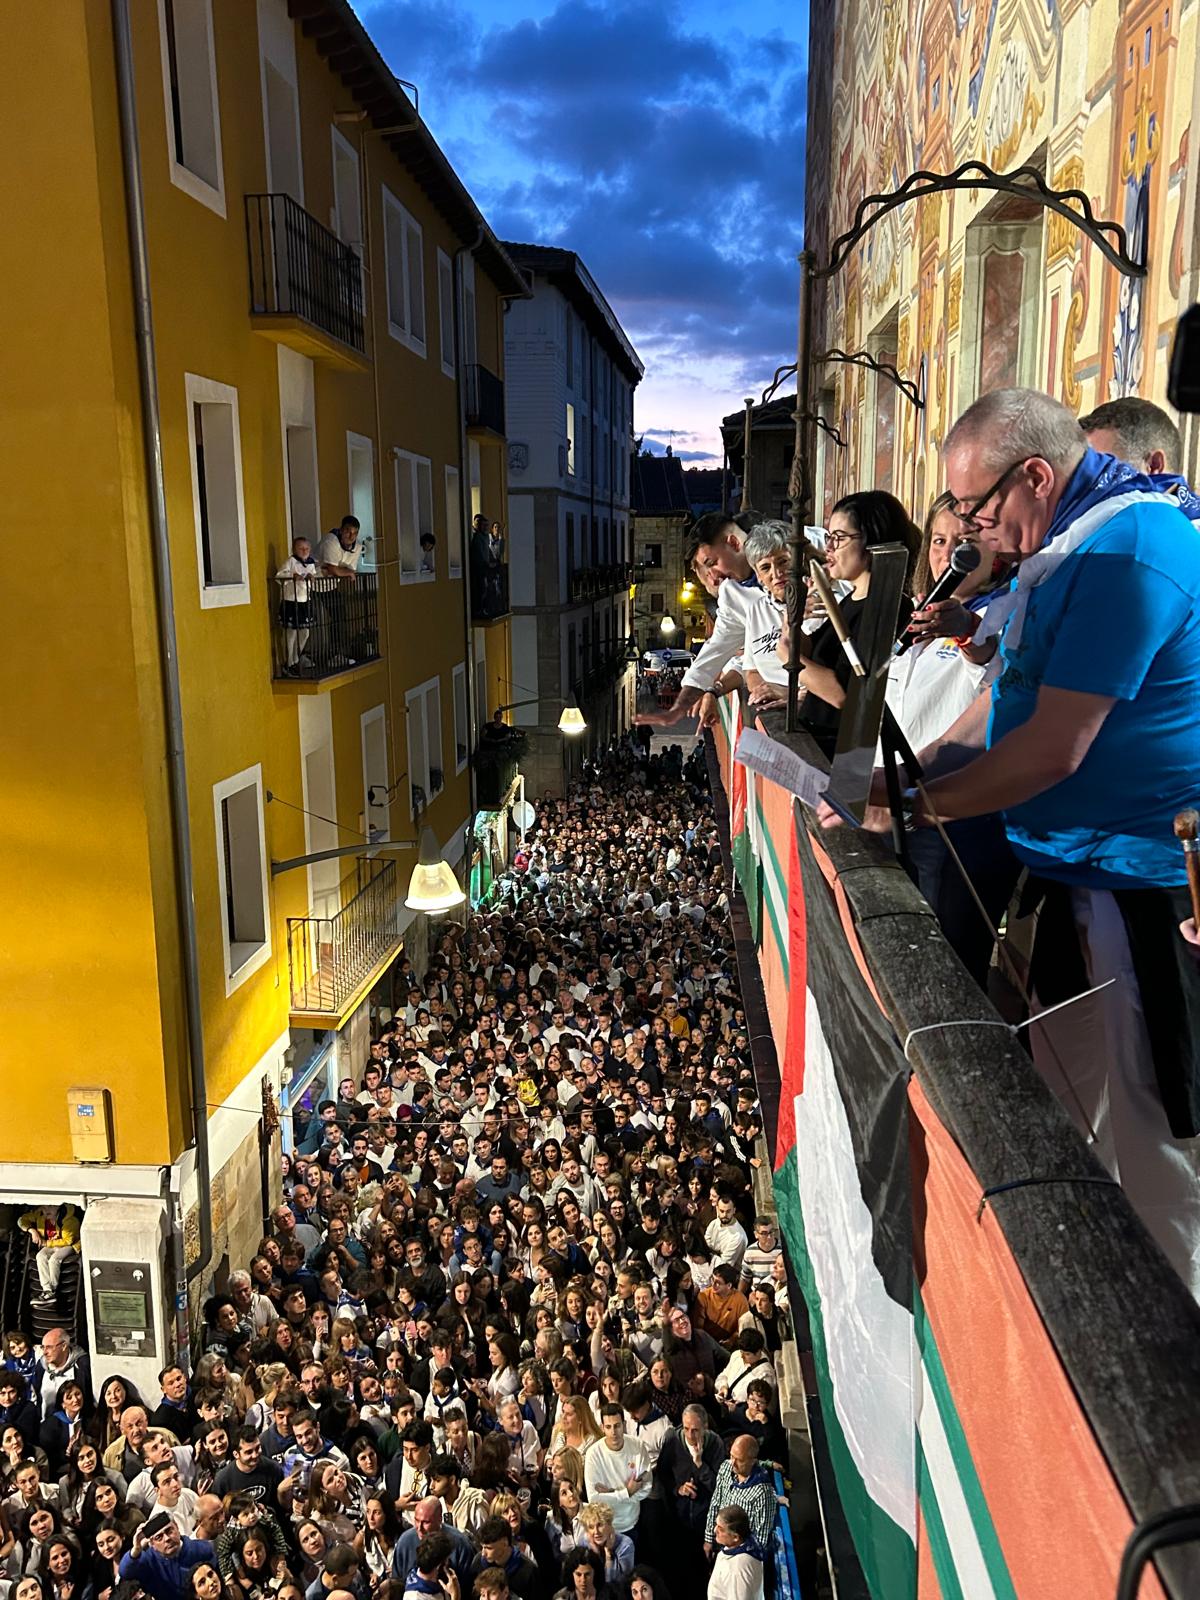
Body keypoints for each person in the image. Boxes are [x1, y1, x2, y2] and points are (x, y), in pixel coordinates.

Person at [855, 388, 1200, 1297]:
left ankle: (1163, 1340)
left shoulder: (1128, 549)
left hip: (1141, 885)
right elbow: (996, 711)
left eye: (974, 509)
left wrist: (919, 810)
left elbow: (1053, 747)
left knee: (1153, 1139)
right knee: (1061, 1099)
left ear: (1036, 478)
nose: (967, 533)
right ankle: (1082, 1282)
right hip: (1072, 875)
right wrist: (896, 783)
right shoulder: (1063, 548)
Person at [779, 491, 919, 756]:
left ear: (872, 540)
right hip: (817, 738)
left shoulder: (887, 606)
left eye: (840, 538)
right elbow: (812, 653)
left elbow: (844, 694)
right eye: (829, 537)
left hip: (841, 750)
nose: (829, 548)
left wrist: (786, 654)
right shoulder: (851, 599)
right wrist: (791, 622)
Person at [582, 1407, 650, 1539]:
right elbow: (594, 1499)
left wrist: (611, 1492)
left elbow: (647, 1487)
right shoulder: (593, 1454)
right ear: (602, 1427)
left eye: (617, 1426)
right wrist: (627, 1492)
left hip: (633, 1523)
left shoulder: (638, 1446)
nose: (613, 1432)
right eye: (608, 1427)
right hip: (605, 1527)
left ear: (624, 1425)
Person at [702, 1439, 776, 1557]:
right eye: (732, 1456)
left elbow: (761, 1540)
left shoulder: (762, 1493)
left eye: (739, 1460)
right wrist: (709, 1538)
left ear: (753, 1461)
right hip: (720, 1545)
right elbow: (715, 1503)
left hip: (740, 1556)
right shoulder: (725, 1467)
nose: (733, 1463)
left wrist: (737, 1558)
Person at [18, 1209, 81, 1306]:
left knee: (54, 1260)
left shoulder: (69, 1219)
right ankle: (47, 1290)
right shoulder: (39, 1215)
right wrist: (32, 1230)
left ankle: (52, 1290)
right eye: (45, 1207)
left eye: (51, 1206)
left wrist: (46, 1243)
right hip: (51, 1244)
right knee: (40, 1256)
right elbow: (21, 1220)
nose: (47, 1210)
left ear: (58, 1207)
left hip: (69, 1245)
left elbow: (68, 1241)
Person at [276, 537, 317, 674]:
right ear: (294, 550)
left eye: (307, 548)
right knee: (291, 632)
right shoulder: (291, 561)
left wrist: (311, 577)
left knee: (305, 632)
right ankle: (290, 661)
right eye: (301, 548)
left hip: (304, 600)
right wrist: (292, 576)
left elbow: (313, 576)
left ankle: (296, 656)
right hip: (291, 600)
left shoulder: (311, 563)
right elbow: (279, 576)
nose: (304, 551)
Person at [706, 1506, 763, 1600]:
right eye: (716, 1524)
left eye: (721, 1529)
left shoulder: (737, 1569)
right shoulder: (739, 1546)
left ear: (735, 1537)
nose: (715, 1530)